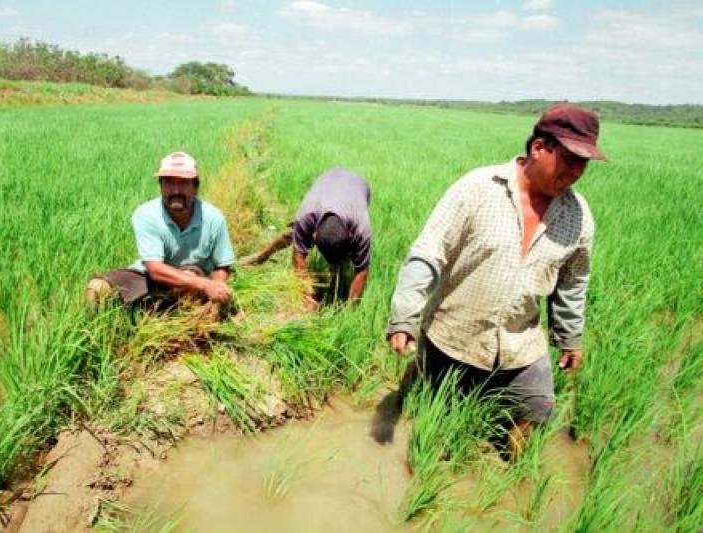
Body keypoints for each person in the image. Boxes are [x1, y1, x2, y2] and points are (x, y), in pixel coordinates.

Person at [385, 103, 606, 458]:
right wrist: (404, 318)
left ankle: (510, 478)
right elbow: (428, 253)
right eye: (570, 158)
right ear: (539, 147)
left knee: (539, 408)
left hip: (521, 342)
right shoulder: (477, 189)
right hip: (453, 333)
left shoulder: (578, 217)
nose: (578, 171)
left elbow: (573, 282)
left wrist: (570, 338)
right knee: (425, 404)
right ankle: (417, 387)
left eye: (584, 163)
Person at [85, 151, 235, 309]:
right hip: (153, 279)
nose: (176, 190)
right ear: (161, 186)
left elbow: (222, 266)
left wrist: (216, 290)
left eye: (183, 182)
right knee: (96, 289)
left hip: (196, 279)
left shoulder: (213, 218)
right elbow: (155, 269)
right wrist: (204, 284)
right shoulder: (146, 214)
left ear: (195, 187)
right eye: (169, 182)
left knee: (192, 281)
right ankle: (104, 331)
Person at [241, 168, 372, 306]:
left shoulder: (362, 229)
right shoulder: (306, 216)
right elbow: (298, 257)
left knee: (343, 260)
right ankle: (260, 257)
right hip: (327, 180)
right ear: (314, 235)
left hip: (358, 185)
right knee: (294, 233)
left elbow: (362, 272)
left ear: (350, 235)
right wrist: (310, 295)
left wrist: (350, 311)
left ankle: (336, 280)